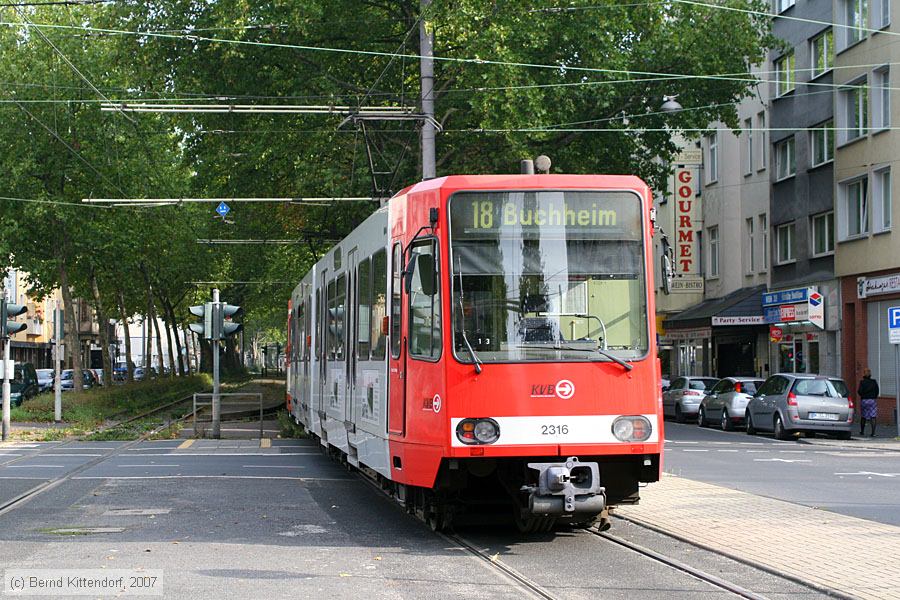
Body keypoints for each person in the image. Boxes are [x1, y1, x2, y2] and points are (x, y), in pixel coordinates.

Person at [857, 368, 879, 437]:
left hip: (864, 400)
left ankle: (862, 431)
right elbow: (877, 391)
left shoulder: (862, 382)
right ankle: (873, 433)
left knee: (863, 416)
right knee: (873, 416)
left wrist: (863, 395)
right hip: (872, 400)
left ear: (864, 374)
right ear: (870, 374)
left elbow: (859, 391)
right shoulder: (874, 382)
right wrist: (874, 396)